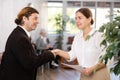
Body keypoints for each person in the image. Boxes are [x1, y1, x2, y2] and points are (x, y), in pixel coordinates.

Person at [52, 8, 111, 80]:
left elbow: (107, 58)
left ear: (89, 19)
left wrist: (91, 69)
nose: (77, 21)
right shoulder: (77, 37)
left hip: (99, 74)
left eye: (80, 18)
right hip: (84, 74)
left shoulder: (99, 36)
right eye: (76, 18)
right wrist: (58, 51)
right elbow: (71, 55)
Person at [0, 7, 55, 80]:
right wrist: (51, 53)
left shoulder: (19, 33)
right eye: (35, 18)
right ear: (25, 19)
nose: (38, 22)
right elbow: (31, 63)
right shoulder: (20, 38)